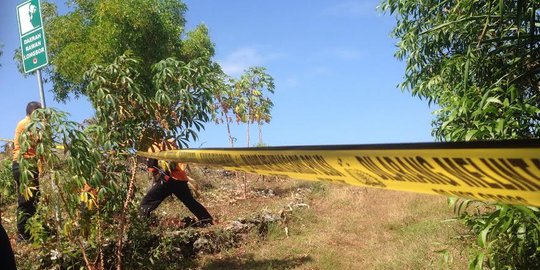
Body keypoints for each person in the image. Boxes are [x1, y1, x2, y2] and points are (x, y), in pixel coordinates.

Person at [140, 139, 214, 227]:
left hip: (168, 179)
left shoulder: (154, 146)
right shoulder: (170, 142)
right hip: (180, 177)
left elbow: (152, 169)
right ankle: (207, 220)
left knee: (147, 202)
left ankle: (143, 224)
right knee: (190, 201)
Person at [12, 101, 41, 241]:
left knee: (34, 199)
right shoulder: (25, 124)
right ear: (34, 113)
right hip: (23, 165)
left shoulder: (30, 125)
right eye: (40, 113)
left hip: (29, 165)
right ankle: (22, 234)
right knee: (25, 200)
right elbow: (37, 141)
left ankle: (32, 231)